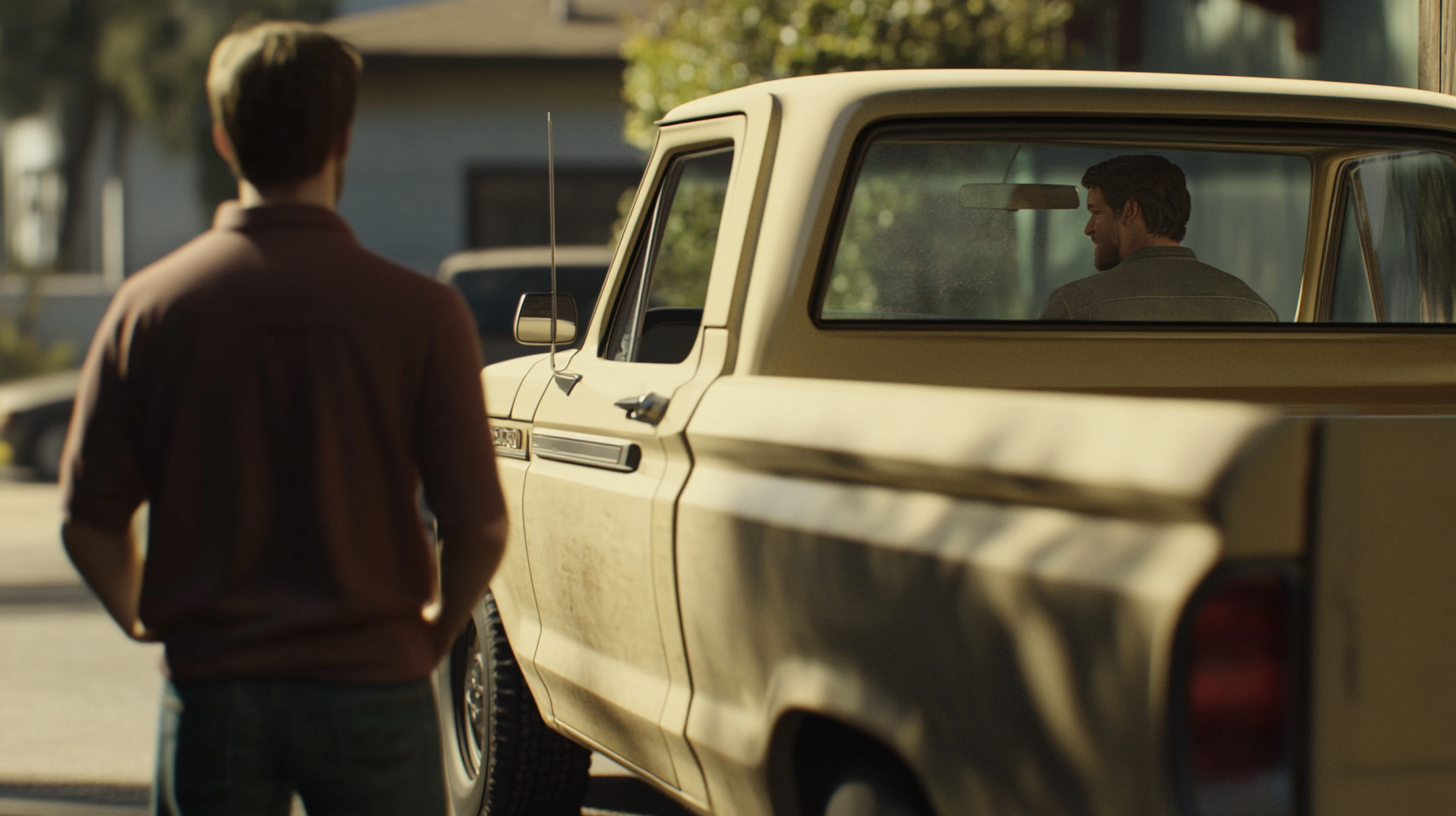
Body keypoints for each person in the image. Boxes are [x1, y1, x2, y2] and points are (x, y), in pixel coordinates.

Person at [58, 21, 507, 816]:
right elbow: (479, 526)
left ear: (224, 139)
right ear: (343, 138)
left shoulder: (151, 309)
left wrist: (142, 619)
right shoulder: (420, 313)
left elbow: (87, 522)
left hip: (213, 692)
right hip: (375, 684)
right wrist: (430, 639)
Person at [1040, 154, 1278, 321]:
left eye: (1096, 213)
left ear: (1130, 211)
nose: (1088, 229)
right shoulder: (1254, 308)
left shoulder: (1074, 306)